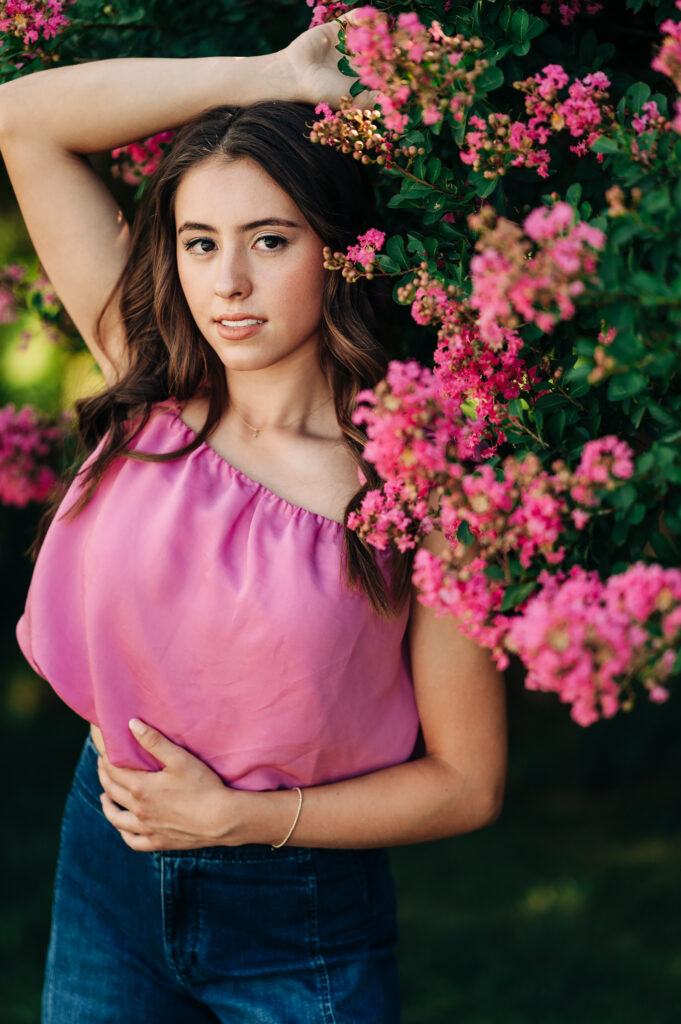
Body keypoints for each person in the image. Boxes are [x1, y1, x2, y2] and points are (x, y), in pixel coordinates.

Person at [0, 16, 507, 1024]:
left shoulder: (416, 480)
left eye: (269, 241)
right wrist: (273, 76)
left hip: (298, 904)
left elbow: (467, 782)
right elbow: (22, 119)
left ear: (337, 252)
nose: (225, 284)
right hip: (108, 855)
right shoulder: (150, 386)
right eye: (200, 242)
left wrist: (245, 818)